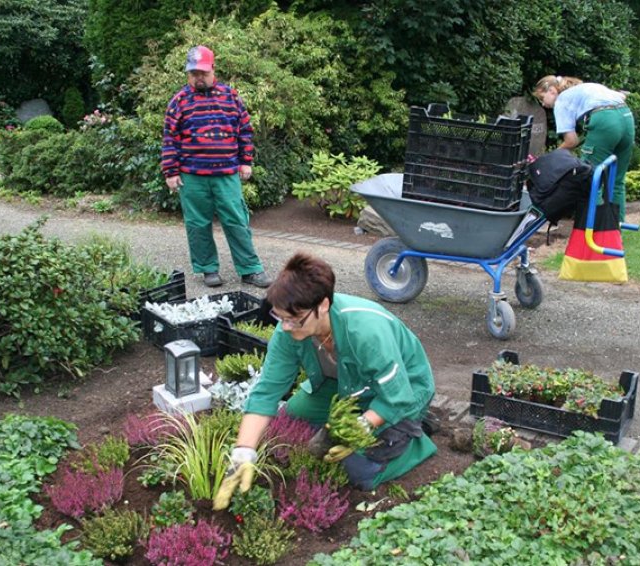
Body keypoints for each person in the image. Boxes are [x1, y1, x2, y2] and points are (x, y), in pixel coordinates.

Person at [213, 252, 437, 510]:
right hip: (347, 386)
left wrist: (361, 427)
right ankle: (362, 420)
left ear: (322, 305)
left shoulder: (365, 332)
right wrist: (243, 452)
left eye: (294, 320)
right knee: (294, 415)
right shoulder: (289, 329)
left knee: (359, 470)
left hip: (402, 390)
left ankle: (416, 440)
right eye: (281, 318)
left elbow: (395, 395)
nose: (285, 327)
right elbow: (266, 392)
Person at [162, 45, 271, 288]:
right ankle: (208, 269)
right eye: (193, 73)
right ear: (188, 74)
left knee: (236, 221)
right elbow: (170, 138)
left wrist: (246, 162)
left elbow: (244, 130)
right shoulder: (178, 102)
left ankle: (250, 269)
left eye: (202, 72)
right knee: (197, 224)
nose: (198, 77)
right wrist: (171, 171)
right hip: (192, 177)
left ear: (213, 69)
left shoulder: (231, 97)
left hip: (226, 174)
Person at [533, 75, 634, 222]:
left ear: (552, 90)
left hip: (605, 119)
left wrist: (551, 158)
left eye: (542, 98)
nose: (543, 104)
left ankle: (595, 233)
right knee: (617, 181)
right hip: (626, 116)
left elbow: (571, 141)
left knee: (591, 179)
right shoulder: (585, 88)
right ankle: (615, 234)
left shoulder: (561, 100)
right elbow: (621, 96)